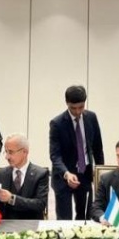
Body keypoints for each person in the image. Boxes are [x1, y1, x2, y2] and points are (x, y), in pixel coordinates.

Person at [50, 85, 104, 220]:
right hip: (63, 176)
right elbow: (55, 155)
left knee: (85, 217)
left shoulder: (91, 117)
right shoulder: (57, 123)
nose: (77, 111)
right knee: (64, 219)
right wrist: (66, 173)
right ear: (67, 103)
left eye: (81, 107)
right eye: (73, 108)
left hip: (85, 174)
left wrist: (100, 173)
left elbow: (97, 147)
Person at [0, 133, 49, 220]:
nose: (7, 157)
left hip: (31, 224)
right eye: (6, 152)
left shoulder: (41, 174)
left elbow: (40, 204)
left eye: (11, 152)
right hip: (6, 225)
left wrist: (12, 199)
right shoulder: (0, 174)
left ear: (25, 152)